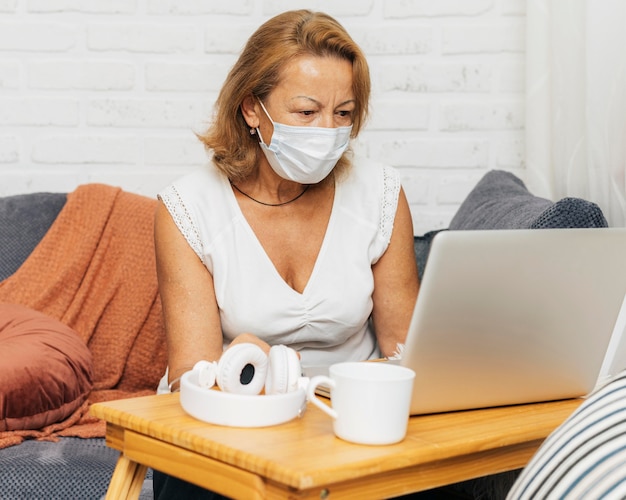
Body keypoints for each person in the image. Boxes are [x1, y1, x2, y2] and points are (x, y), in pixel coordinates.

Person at [152, 9, 419, 499]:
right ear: (253, 109)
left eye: (343, 113)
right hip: (232, 426)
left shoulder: (380, 193)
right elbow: (195, 372)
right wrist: (245, 367)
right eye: (305, 111)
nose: (328, 131)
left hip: (349, 422)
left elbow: (407, 354)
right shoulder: (188, 207)